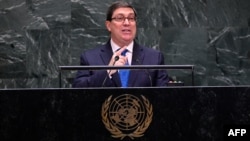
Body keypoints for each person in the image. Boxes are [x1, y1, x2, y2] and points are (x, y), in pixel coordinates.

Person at [72, 1, 169, 88]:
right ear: (108, 25)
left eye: (131, 18)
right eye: (120, 18)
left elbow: (164, 96)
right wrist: (107, 72)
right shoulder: (90, 58)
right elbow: (77, 90)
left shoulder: (154, 58)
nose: (127, 23)